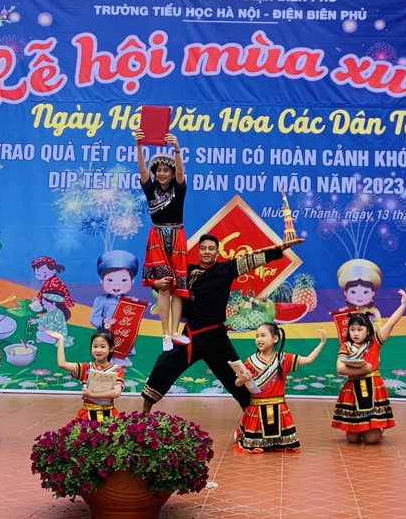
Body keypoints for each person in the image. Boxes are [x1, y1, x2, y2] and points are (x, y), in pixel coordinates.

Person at [141, 233, 305, 413]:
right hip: (191, 336)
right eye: (203, 248)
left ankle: (251, 416)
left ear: (217, 253)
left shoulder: (226, 270)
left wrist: (281, 249)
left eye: (211, 249)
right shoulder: (187, 272)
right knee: (163, 365)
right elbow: (163, 284)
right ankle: (144, 413)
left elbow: (252, 260)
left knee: (237, 375)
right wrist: (157, 283)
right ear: (199, 251)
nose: (207, 252)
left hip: (216, 338)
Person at [232, 323, 328, 454]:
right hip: (257, 408)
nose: (259, 339)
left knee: (284, 444)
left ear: (275, 339)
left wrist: (322, 343)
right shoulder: (251, 361)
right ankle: (241, 434)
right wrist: (243, 379)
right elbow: (237, 383)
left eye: (263, 336)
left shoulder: (284, 359)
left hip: (279, 407)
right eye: (257, 336)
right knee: (253, 445)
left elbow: (308, 360)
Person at [134, 131, 190, 352]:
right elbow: (142, 170)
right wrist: (139, 145)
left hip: (177, 237)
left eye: (166, 170)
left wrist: (176, 149)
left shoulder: (179, 189)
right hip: (157, 237)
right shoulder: (151, 189)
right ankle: (165, 334)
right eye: (159, 170)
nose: (162, 173)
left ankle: (176, 332)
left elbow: (182, 172)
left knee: (179, 287)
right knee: (164, 286)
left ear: (173, 172)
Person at [332, 289, 406, 445]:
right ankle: (360, 427)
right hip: (353, 388)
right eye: (352, 329)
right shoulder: (346, 346)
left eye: (360, 329)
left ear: (367, 330)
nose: (355, 333)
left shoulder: (375, 342)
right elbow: (340, 368)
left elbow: (391, 323)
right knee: (352, 439)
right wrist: (362, 369)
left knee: (371, 439)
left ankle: (377, 430)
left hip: (373, 387)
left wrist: (403, 305)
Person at [47, 329, 124, 423]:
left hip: (109, 416)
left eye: (103, 346)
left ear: (111, 348)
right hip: (87, 416)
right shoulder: (85, 368)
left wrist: (92, 395)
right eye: (95, 346)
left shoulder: (116, 370)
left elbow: (116, 392)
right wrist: (60, 340)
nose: (98, 350)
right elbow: (62, 364)